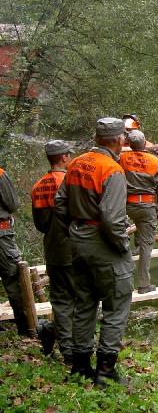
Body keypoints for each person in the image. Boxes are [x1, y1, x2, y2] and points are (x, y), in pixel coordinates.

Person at [55, 118, 133, 385]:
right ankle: (106, 370)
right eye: (123, 137)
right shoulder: (112, 170)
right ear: (119, 140)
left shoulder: (75, 163)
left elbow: (60, 203)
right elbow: (112, 219)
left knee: (84, 303)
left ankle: (80, 365)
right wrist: (122, 244)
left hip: (78, 241)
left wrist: (73, 231)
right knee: (116, 304)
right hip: (103, 244)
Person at [31, 140, 75, 363]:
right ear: (64, 158)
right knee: (80, 301)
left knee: (60, 300)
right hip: (74, 250)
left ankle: (51, 331)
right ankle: (70, 351)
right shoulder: (71, 182)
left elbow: (40, 225)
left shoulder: (38, 185)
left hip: (52, 249)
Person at [119, 130, 158, 294]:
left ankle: (121, 281)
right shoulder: (155, 162)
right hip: (147, 206)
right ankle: (144, 285)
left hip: (126, 206)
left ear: (129, 144)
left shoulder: (122, 158)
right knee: (147, 245)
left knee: (119, 238)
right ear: (145, 143)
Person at [0, 166, 29, 336]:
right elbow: (13, 203)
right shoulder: (0, 174)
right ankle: (24, 328)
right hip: (1, 234)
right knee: (13, 279)